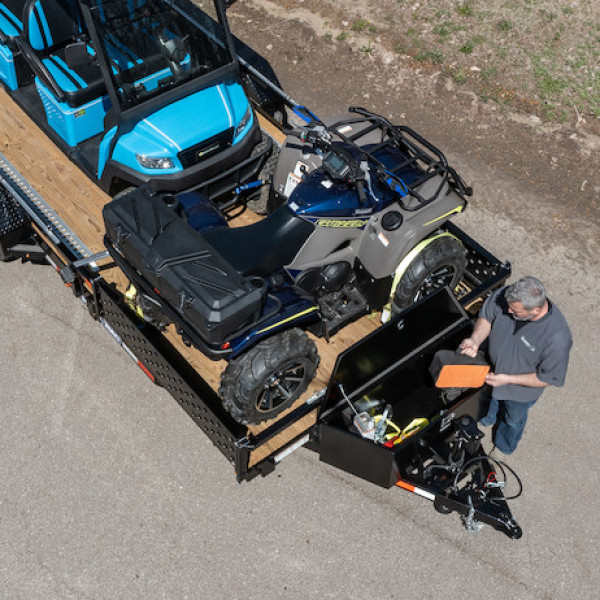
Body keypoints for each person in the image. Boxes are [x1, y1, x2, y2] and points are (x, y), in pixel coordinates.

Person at [460, 276, 572, 455]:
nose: (508, 311)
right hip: (492, 370)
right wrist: (475, 339)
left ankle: (505, 444)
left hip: (519, 393)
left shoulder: (557, 339)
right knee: (488, 399)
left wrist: (507, 380)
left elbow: (547, 377)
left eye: (515, 311)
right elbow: (487, 316)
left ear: (535, 310)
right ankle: (487, 418)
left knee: (513, 419)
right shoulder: (508, 296)